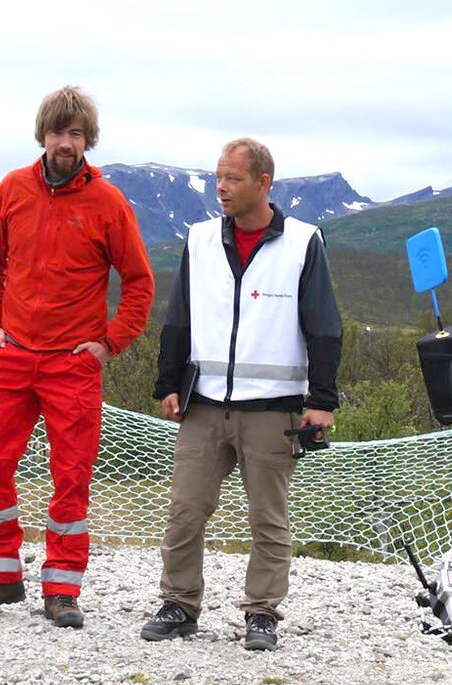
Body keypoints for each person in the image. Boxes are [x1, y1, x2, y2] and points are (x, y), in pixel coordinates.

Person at [0, 85, 154, 626]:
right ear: (42, 134)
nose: (65, 142)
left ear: (88, 140)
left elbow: (139, 281)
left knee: (71, 477)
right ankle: (0, 577)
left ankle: (62, 588)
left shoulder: (109, 202)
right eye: (57, 131)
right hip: (11, 355)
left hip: (73, 364)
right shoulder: (13, 189)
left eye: (75, 133)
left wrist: (109, 343)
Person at [144, 137, 341, 651]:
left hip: (273, 410)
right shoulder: (201, 238)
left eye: (233, 178)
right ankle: (179, 604)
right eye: (218, 177)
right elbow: (179, 315)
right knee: (185, 510)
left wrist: (322, 400)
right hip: (205, 404)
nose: (222, 188)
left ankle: (262, 613)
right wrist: (168, 383)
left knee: (268, 520)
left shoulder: (302, 242)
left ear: (263, 183)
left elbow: (324, 327)